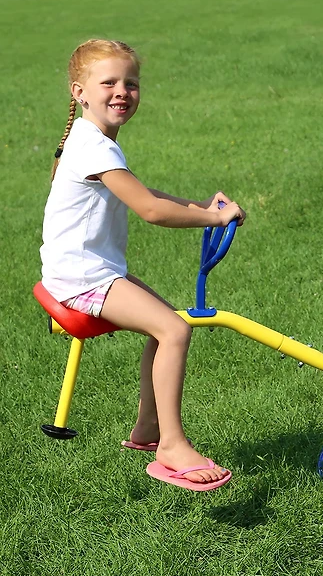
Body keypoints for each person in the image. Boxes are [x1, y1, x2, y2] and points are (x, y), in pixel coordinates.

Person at [40, 39, 246, 490]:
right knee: (174, 330)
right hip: (82, 278)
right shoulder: (95, 148)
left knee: (167, 323)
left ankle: (149, 430)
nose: (122, 91)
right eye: (108, 82)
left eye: (130, 83)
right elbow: (151, 210)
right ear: (80, 92)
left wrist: (200, 204)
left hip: (83, 269)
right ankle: (171, 444)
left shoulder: (90, 140)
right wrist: (212, 216)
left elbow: (144, 193)